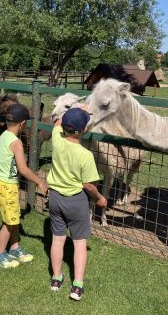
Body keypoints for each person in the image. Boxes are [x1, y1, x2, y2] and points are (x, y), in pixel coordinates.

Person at [47, 107, 107, 301]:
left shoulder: (57, 141)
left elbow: (57, 123)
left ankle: (56, 279)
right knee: (79, 244)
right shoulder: (85, 155)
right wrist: (99, 198)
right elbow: (89, 185)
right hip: (76, 201)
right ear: (84, 130)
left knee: (57, 239)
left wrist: (75, 109)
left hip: (55, 198)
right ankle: (77, 286)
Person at [0, 103, 48, 268]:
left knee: (13, 218)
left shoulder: (3, 135)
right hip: (7, 186)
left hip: (3, 183)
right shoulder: (16, 143)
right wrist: (40, 181)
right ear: (23, 123)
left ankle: (14, 247)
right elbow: (23, 169)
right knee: (9, 223)